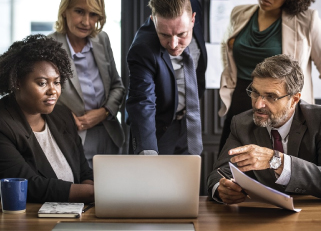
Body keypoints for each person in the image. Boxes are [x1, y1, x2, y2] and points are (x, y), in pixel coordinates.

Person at [207, 54, 321, 204]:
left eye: (271, 96)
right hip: (262, 214)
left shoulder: (317, 120)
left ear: (294, 99)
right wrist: (221, 188)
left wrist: (277, 161)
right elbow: (221, 172)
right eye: (255, 92)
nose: (258, 104)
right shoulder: (241, 123)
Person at [0, 34, 94, 203]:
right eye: (42, 83)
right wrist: (91, 193)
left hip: (76, 214)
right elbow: (30, 185)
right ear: (17, 82)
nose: (53, 91)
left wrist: (90, 196)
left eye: (56, 82)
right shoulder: (4, 124)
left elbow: (83, 171)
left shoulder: (62, 115)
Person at [218, 0, 321, 152]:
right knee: (230, 163)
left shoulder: (307, 19)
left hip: (281, 107)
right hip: (241, 100)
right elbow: (227, 50)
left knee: (282, 166)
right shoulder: (239, 13)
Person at [48, 0, 125, 167]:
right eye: (79, 11)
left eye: (93, 14)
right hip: (73, 135)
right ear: (65, 11)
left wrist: (104, 112)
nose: (87, 22)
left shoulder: (102, 39)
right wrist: (66, 117)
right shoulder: (49, 46)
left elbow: (117, 86)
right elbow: (41, 96)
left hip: (110, 134)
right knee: (86, 190)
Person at [126, 0, 207, 155]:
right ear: (153, 20)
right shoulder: (142, 49)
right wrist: (147, 149)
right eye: (164, 35)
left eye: (182, 34)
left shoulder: (193, 6)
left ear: (193, 19)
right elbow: (142, 101)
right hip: (157, 128)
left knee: (189, 177)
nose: (173, 44)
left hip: (188, 122)